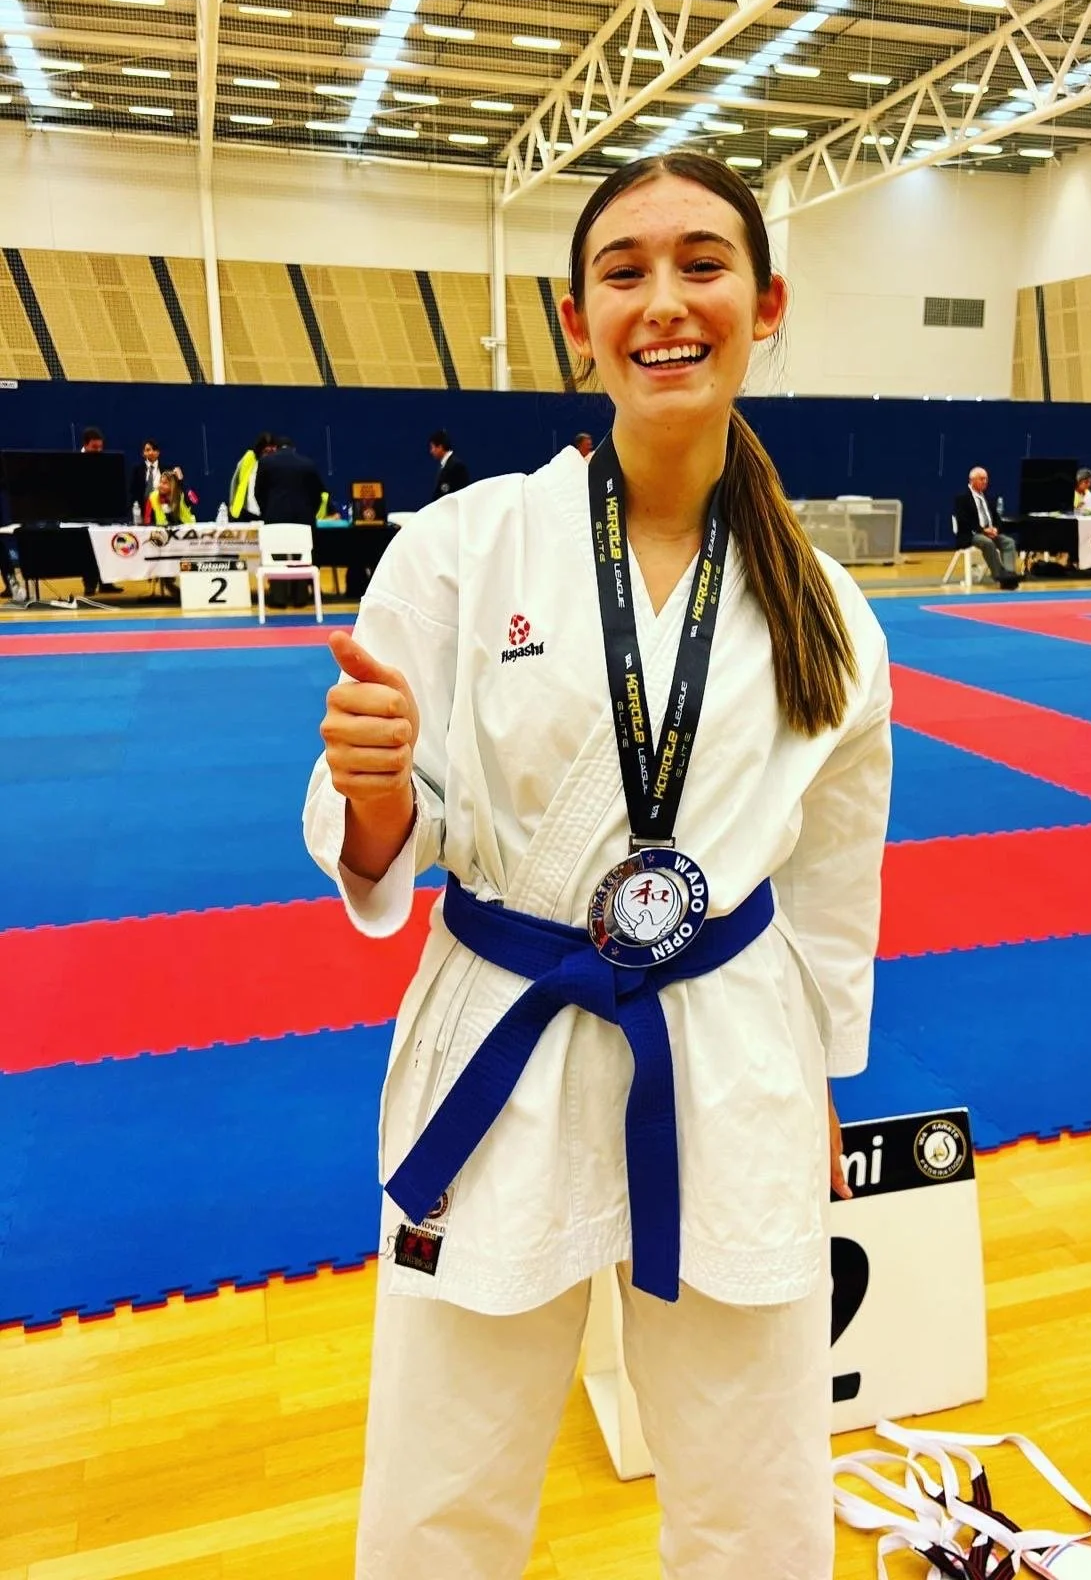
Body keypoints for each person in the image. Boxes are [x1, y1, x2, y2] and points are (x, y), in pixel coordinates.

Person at [304, 151, 892, 1580]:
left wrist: (821, 1077)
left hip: (731, 1051)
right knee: (444, 1482)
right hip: (505, 1037)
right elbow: (385, 838)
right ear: (578, 320)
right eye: (624, 272)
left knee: (756, 1484)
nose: (664, 302)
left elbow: (827, 878)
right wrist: (376, 792)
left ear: (768, 304)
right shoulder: (466, 547)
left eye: (703, 264)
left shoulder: (830, 612)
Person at [255, 436, 328, 607]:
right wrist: (309, 511)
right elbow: (318, 494)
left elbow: (259, 492)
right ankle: (300, 598)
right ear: (293, 448)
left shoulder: (266, 463)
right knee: (302, 557)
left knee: (276, 557)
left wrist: (268, 511)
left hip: (275, 517)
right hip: (303, 518)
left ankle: (278, 599)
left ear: (277, 448)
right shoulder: (308, 464)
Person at [953, 465, 1018, 590]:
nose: (985, 482)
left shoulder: (988, 497)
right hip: (971, 534)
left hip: (990, 532)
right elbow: (963, 521)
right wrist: (983, 530)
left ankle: (1009, 575)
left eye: (986, 479)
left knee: (1009, 542)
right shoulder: (962, 498)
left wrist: (995, 529)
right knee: (987, 542)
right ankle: (1000, 576)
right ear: (972, 480)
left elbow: (997, 518)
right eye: (981, 479)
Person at [79, 427, 122, 595]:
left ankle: (106, 582)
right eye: (94, 447)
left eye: (100, 447)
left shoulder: (104, 460)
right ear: (85, 445)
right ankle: (89, 584)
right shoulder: (74, 462)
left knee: (106, 546)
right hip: (84, 512)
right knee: (88, 550)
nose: (98, 450)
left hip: (103, 511)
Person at [228, 433, 273, 520]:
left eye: (272, 452)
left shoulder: (275, 465)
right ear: (260, 450)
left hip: (266, 513)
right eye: (266, 452)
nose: (269, 455)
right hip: (246, 511)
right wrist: (232, 506)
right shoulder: (249, 458)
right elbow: (235, 482)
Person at [428, 429, 469, 499]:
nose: (431, 451)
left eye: (432, 447)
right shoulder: (444, 465)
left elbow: (462, 493)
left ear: (440, 447)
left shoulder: (457, 466)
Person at [130, 438, 162, 514]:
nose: (151, 452)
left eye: (154, 449)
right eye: (148, 450)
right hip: (142, 511)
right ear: (143, 453)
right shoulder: (137, 470)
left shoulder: (166, 470)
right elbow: (132, 492)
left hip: (161, 510)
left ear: (158, 452)